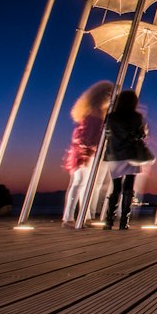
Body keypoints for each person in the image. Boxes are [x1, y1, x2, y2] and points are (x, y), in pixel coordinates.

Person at [61, 81, 114, 226]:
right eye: (108, 94)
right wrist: (86, 150)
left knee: (87, 185)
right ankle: (68, 218)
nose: (111, 97)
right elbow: (83, 136)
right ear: (99, 96)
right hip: (85, 153)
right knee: (79, 183)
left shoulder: (102, 114)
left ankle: (86, 215)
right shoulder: (93, 113)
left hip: (95, 153)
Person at [103, 88, 153, 230]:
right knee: (128, 188)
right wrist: (144, 132)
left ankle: (109, 220)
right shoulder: (136, 117)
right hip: (131, 154)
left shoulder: (111, 117)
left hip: (114, 155)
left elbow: (107, 134)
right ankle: (124, 221)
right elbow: (140, 135)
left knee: (116, 188)